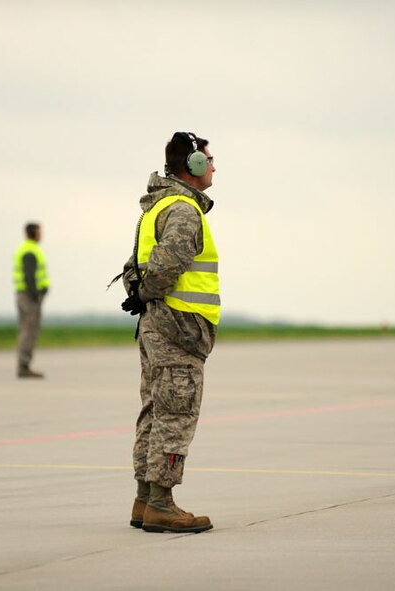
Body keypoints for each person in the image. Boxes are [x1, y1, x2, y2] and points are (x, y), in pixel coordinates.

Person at [119, 132, 219, 534]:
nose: (214, 167)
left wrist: (140, 296)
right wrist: (146, 292)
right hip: (178, 327)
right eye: (210, 160)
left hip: (157, 324)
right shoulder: (183, 211)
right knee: (176, 412)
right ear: (192, 165)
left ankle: (144, 499)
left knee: (155, 410)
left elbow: (132, 265)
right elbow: (163, 266)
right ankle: (161, 502)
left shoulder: (156, 207)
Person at [12, 222, 49, 378]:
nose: (41, 235)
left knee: (26, 329)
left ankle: (23, 364)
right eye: (40, 232)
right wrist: (36, 295)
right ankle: (24, 365)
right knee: (29, 330)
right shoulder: (30, 251)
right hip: (29, 297)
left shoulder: (26, 249)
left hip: (24, 295)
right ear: (34, 233)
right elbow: (29, 276)